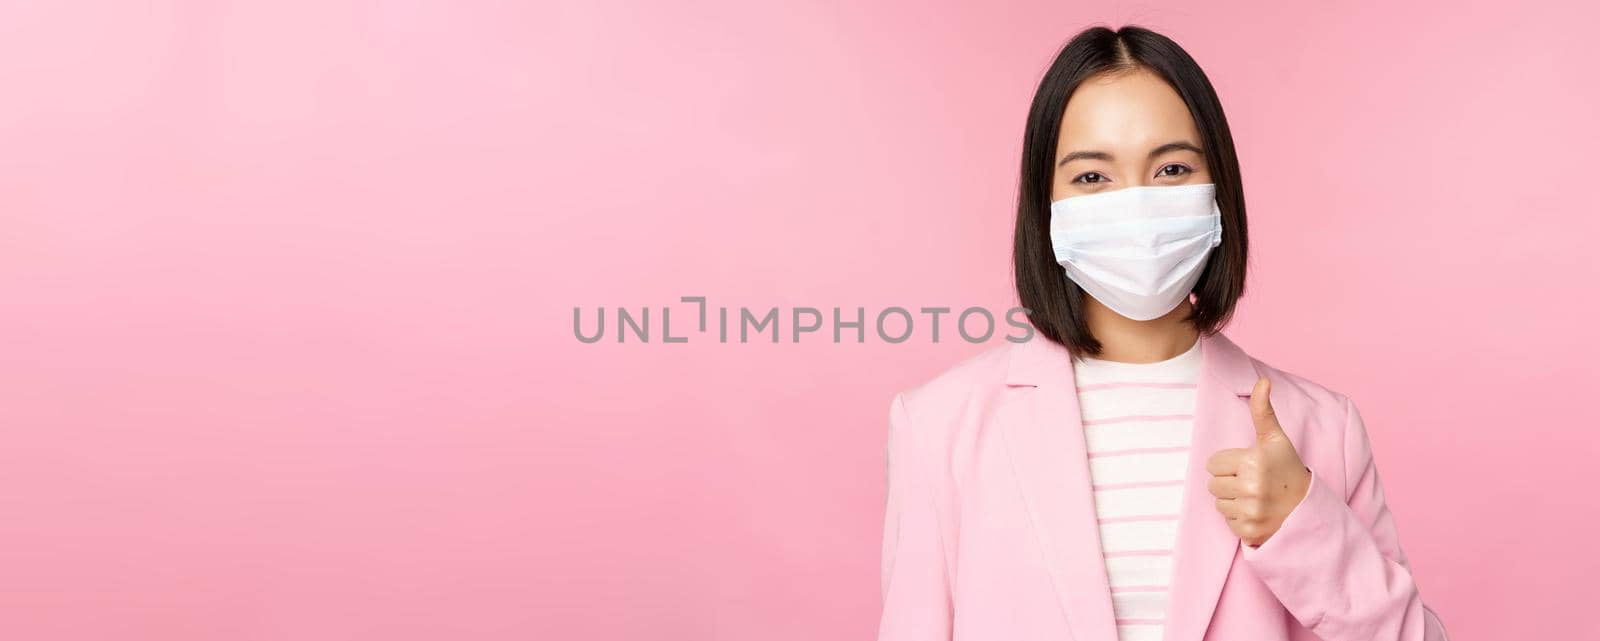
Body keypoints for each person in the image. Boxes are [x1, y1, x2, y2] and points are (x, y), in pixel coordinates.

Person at [875, 24, 1449, 641]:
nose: (1138, 208)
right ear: (1048, 210)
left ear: (1217, 193)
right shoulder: (940, 427)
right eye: (1092, 177)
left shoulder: (1321, 428)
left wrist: (1304, 530)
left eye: (1172, 168)